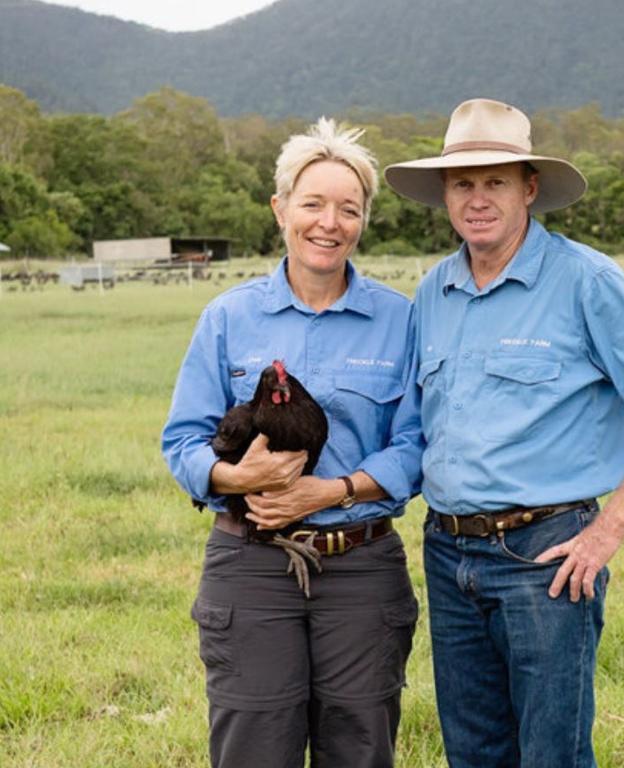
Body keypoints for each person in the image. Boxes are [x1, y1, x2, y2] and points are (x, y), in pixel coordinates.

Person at [384, 98, 624, 767]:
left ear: (530, 188)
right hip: (448, 556)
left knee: (551, 754)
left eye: (496, 181)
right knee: (473, 752)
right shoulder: (432, 292)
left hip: (546, 558)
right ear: (445, 195)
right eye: (462, 183)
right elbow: (414, 430)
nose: (477, 199)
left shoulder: (585, 281)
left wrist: (607, 530)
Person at [162, 118, 423, 768]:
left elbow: (418, 443)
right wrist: (236, 480)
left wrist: (332, 489)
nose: (328, 223)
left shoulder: (401, 320)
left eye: (348, 209)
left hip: (361, 565)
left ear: (364, 221)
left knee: (360, 744)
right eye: (313, 204)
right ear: (281, 210)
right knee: (253, 745)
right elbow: (183, 441)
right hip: (251, 564)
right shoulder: (228, 317)